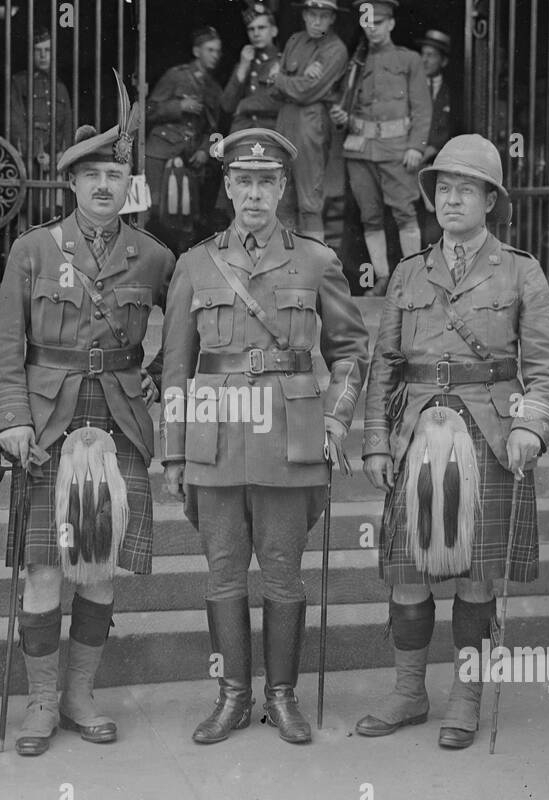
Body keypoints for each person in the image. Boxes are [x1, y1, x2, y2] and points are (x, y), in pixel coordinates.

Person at [356, 134, 549, 749]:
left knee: (477, 579)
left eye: (465, 190)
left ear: (489, 200)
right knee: (407, 573)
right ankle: (408, 692)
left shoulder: (521, 271)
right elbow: (385, 365)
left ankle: (466, 695)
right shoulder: (406, 272)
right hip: (416, 433)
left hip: (491, 432)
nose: (451, 200)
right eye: (443, 189)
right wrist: (375, 440)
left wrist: (532, 425)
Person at [160, 128, 369, 746]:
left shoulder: (317, 261)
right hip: (216, 437)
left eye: (266, 182)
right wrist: (174, 448)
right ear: (226, 187)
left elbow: (353, 353)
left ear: (282, 188)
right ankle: (232, 697)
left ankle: (281, 696)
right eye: (243, 181)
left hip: (290, 437)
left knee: (282, 574)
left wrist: (335, 418)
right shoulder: (195, 263)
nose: (254, 194)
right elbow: (176, 365)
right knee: (223, 574)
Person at [0, 82, 176, 757]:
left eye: (114, 174)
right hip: (48, 423)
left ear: (130, 182)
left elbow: (180, 338)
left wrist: (160, 374)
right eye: (91, 175)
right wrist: (9, 421)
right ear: (69, 183)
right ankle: (41, 701)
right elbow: (6, 347)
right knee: (44, 570)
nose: (103, 185)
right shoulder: (33, 251)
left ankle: (79, 695)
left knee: (98, 568)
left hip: (118, 420)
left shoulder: (153, 257)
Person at [330, 0, 431, 297]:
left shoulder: (409, 60)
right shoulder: (356, 63)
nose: (372, 29)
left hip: (397, 149)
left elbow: (423, 109)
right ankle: (384, 278)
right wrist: (343, 117)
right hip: (360, 150)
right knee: (369, 216)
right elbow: (348, 105)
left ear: (391, 24)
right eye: (367, 23)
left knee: (404, 212)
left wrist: (416, 146)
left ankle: (413, 278)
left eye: (378, 22)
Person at [271, 0, 349, 241]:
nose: (317, 22)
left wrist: (280, 79)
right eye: (312, 14)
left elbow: (306, 92)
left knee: (309, 201)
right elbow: (273, 93)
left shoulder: (335, 49)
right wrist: (296, 81)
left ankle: (314, 266)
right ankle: (286, 259)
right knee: (281, 195)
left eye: (323, 16)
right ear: (304, 14)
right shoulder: (295, 41)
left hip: (310, 124)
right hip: (285, 119)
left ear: (333, 18)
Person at [144, 27, 224, 253]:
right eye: (210, 50)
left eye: (218, 51)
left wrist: (205, 150)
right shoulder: (175, 76)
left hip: (190, 157)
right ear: (196, 51)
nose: (215, 55)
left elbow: (216, 128)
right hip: (160, 151)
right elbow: (148, 109)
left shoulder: (214, 88)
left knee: (185, 216)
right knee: (155, 211)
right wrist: (178, 106)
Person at [7, 28, 74, 221]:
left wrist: (63, 153)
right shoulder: (19, 82)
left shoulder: (60, 86)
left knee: (56, 214)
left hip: (57, 164)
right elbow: (16, 121)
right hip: (29, 163)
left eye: (48, 50)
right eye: (38, 50)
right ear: (31, 53)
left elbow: (68, 124)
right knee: (28, 214)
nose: (44, 55)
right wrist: (36, 152)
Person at [417, 29, 463, 245]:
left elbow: (455, 128)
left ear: (443, 61)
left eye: (431, 55)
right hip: (409, 164)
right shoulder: (409, 89)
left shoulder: (453, 93)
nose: (424, 59)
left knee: (434, 222)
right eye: (423, 54)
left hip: (437, 164)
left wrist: (433, 149)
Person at [221, 2, 282, 133]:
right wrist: (242, 68)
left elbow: (280, 103)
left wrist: (244, 105)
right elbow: (227, 106)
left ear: (274, 31)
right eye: (251, 29)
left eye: (261, 28)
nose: (256, 33)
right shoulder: (245, 62)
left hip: (271, 135)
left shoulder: (283, 63)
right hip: (242, 134)